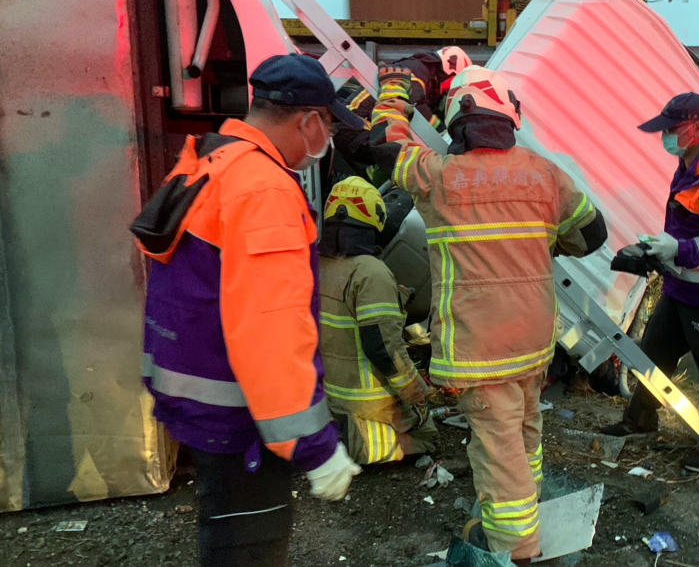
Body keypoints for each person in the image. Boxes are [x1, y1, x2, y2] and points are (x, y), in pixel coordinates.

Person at [347, 64, 607, 564]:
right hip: (532, 342)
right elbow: (591, 234)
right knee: (524, 433)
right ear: (508, 116)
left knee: (498, 448)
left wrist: (397, 89)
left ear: (458, 121)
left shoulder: (438, 175)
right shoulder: (543, 173)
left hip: (480, 351)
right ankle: (524, 513)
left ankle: (515, 550)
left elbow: (381, 140)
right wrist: (537, 241)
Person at [131, 53, 364, 565]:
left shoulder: (213, 160)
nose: (325, 141)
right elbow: (271, 332)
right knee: (248, 549)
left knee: (225, 536)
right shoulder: (265, 191)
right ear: (308, 120)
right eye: (327, 124)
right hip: (238, 417)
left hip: (197, 393)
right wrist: (315, 447)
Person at [600, 92, 699, 475]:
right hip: (682, 287)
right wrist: (662, 249)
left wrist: (678, 249)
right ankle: (640, 419)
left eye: (672, 129)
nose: (665, 136)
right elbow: (690, 228)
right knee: (654, 352)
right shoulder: (691, 165)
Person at [318, 176, 438, 464]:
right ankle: (361, 448)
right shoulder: (371, 273)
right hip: (366, 406)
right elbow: (384, 349)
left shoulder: (317, 264)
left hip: (328, 400)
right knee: (429, 437)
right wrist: (417, 393)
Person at [345, 45, 472, 131]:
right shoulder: (418, 69)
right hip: (357, 123)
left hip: (359, 124)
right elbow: (417, 105)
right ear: (449, 69)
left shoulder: (427, 76)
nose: (447, 91)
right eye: (451, 84)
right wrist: (441, 131)